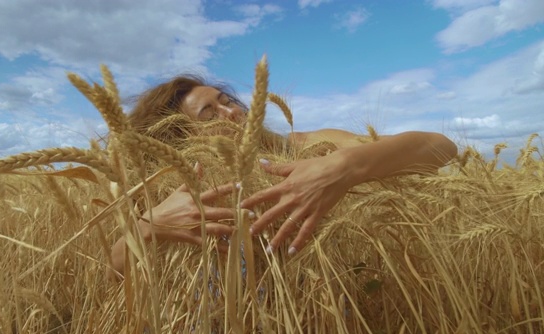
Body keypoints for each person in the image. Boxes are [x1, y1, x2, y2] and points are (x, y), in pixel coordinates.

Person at [108, 75, 458, 278]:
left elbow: (440, 147)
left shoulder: (300, 145)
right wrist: (147, 227)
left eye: (228, 100)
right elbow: (114, 276)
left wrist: (345, 166)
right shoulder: (171, 188)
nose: (232, 112)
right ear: (181, 136)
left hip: (323, 317)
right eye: (208, 113)